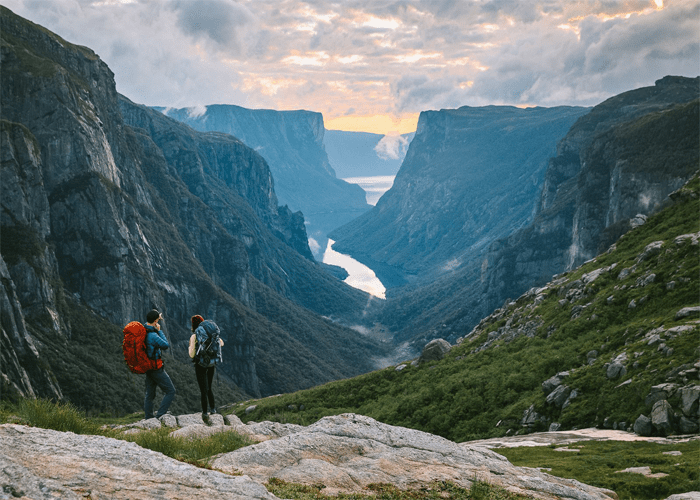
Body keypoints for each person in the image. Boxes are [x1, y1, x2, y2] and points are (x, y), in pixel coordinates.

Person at [189, 314, 224, 422]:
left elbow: (191, 354)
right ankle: (213, 409)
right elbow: (221, 343)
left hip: (201, 365)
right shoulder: (212, 333)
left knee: (203, 389)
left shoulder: (195, 336)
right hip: (212, 363)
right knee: (209, 387)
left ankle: (205, 413)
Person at [143, 309, 176, 419]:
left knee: (150, 394)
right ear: (156, 321)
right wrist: (159, 331)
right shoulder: (152, 335)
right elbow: (165, 345)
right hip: (156, 368)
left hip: (147, 367)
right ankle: (160, 415)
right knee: (170, 391)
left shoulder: (143, 329)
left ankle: (148, 418)